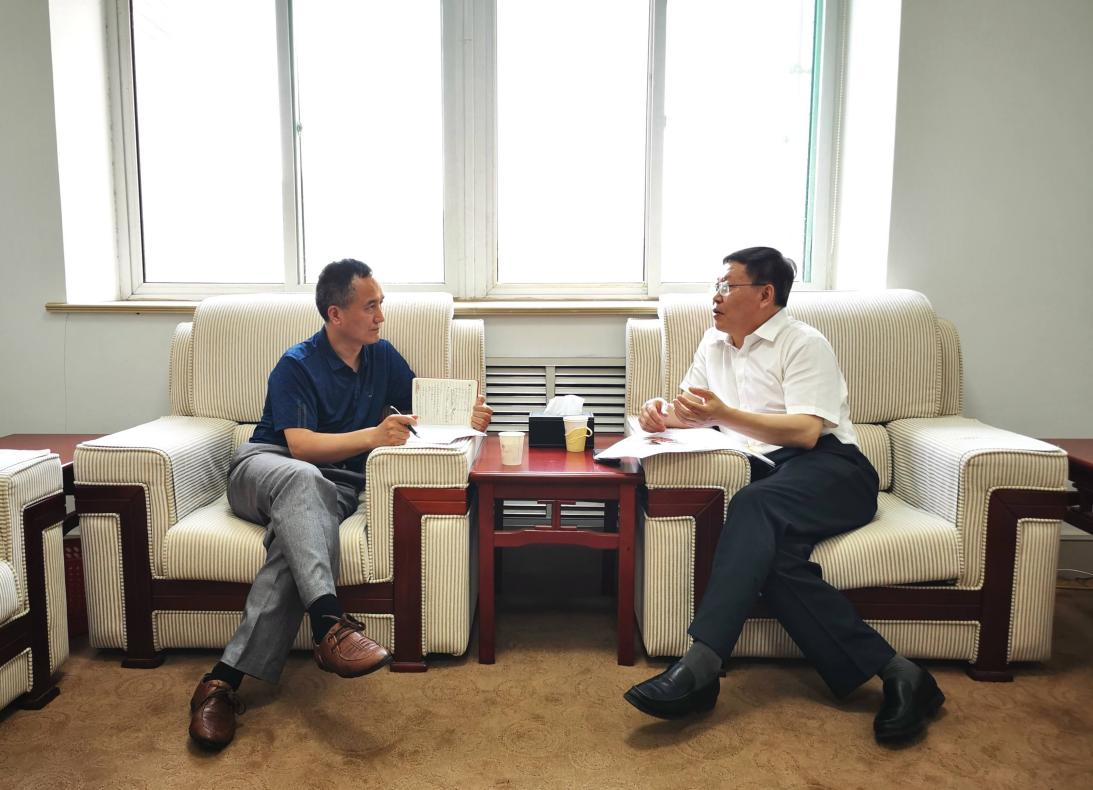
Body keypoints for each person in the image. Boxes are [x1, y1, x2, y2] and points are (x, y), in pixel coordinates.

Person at [623, 247, 944, 743]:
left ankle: (702, 663)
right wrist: (658, 413)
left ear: (765, 294)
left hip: (834, 471)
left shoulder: (803, 342)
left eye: (727, 285)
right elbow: (694, 412)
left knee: (752, 504)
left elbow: (807, 431)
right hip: (774, 479)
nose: (716, 296)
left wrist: (723, 414)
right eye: (716, 286)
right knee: (774, 562)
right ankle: (902, 673)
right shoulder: (713, 343)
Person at [188, 259, 493, 749]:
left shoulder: (382, 357)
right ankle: (330, 623)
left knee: (294, 541)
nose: (380, 317)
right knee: (305, 480)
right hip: (265, 468)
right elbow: (300, 447)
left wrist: (466, 419)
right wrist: (373, 435)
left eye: (381, 305)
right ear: (335, 314)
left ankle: (221, 682)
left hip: (332, 491)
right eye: (370, 307)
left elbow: (421, 416)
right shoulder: (296, 364)